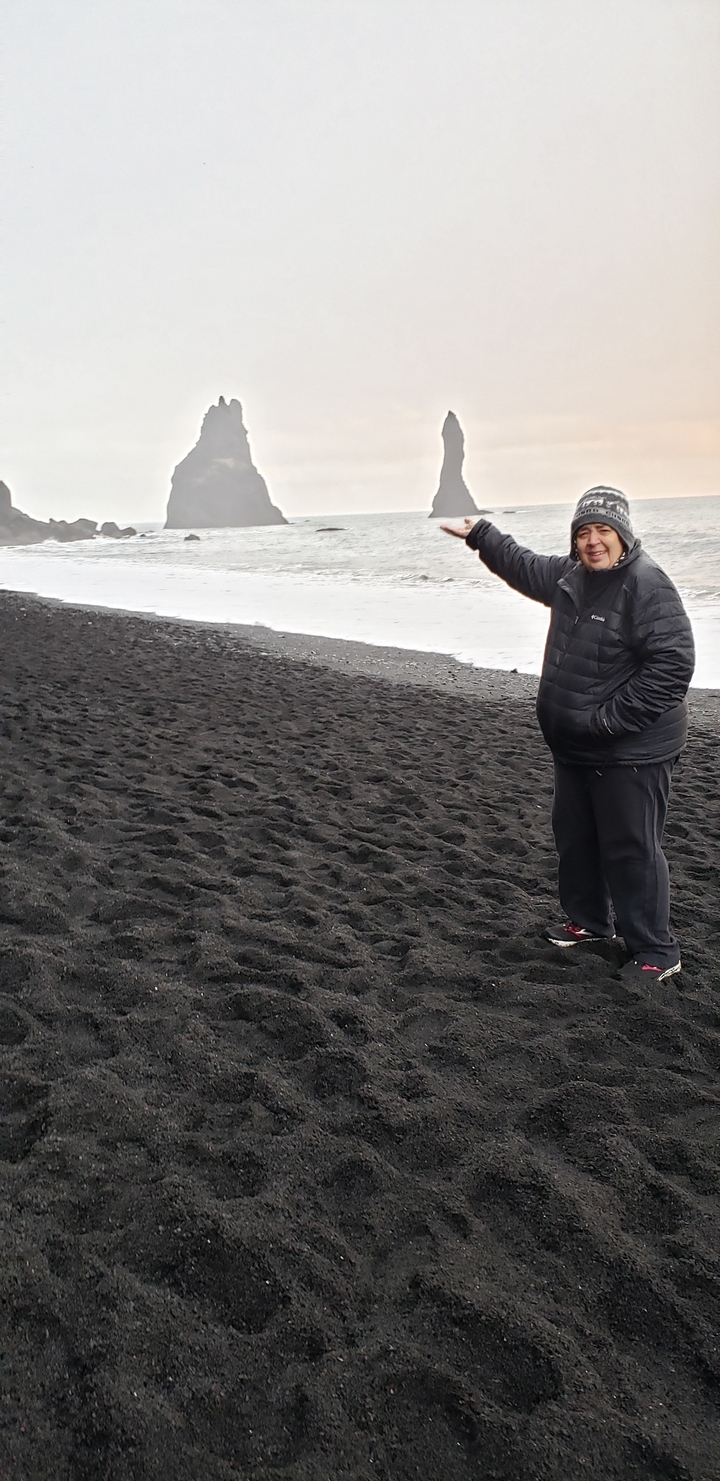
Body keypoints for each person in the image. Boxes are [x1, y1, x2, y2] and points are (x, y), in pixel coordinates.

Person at [443, 487, 695, 982]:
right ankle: (589, 924)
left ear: (623, 536)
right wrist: (483, 535)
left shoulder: (647, 585)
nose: (593, 542)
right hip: (575, 746)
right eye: (584, 532)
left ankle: (656, 951)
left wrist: (607, 722)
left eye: (603, 531)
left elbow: (673, 664)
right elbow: (523, 565)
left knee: (630, 847)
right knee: (577, 838)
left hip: (630, 749)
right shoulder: (571, 577)